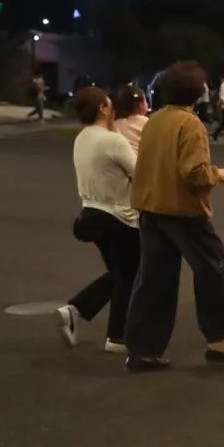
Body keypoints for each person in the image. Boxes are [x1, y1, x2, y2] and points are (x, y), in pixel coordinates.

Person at [124, 60, 224, 371]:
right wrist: (219, 174)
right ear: (198, 92)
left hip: (150, 207)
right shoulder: (190, 124)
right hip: (183, 211)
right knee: (217, 272)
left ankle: (142, 350)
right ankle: (218, 340)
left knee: (154, 280)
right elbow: (195, 173)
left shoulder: (155, 120)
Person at [56, 87, 139, 354]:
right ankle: (117, 336)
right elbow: (140, 172)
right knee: (130, 274)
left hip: (91, 215)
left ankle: (76, 310)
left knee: (119, 273)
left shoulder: (82, 138)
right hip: (119, 217)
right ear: (103, 108)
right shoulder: (113, 141)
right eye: (110, 104)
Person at [113, 84, 150, 154]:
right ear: (140, 105)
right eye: (145, 101)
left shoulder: (115, 124)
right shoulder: (147, 122)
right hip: (141, 159)